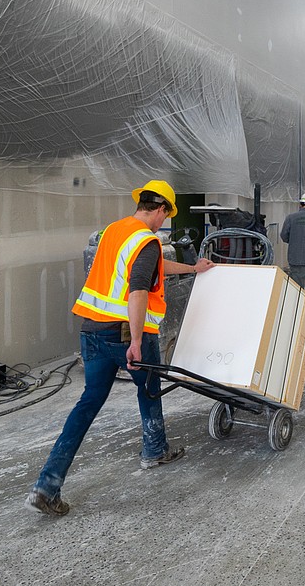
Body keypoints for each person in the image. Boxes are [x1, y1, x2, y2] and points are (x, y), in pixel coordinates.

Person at [26, 179, 216, 517]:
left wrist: (192, 268)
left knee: (87, 404)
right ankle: (154, 450)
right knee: (149, 389)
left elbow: (152, 267)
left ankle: (47, 484)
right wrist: (139, 341)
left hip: (92, 332)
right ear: (161, 210)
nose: (163, 222)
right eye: (165, 215)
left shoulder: (115, 231)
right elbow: (139, 288)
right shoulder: (147, 240)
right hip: (127, 334)